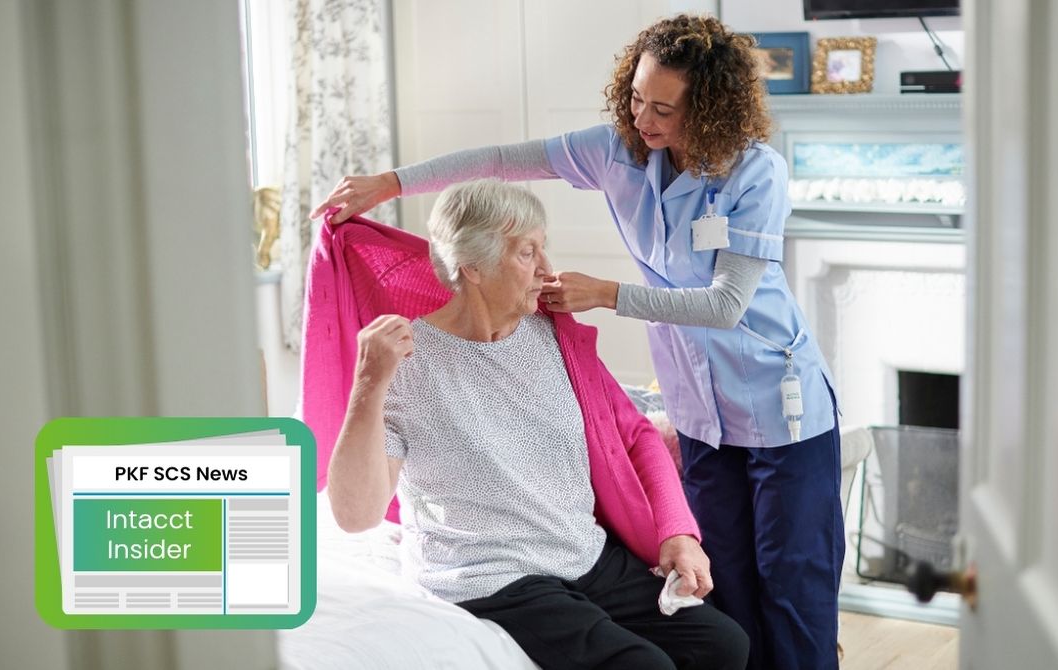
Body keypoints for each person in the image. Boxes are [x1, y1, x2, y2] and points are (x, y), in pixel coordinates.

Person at [313, 14, 843, 670]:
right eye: (636, 97)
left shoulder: (753, 174)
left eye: (664, 109)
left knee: (794, 591)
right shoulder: (618, 151)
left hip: (776, 399)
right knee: (730, 588)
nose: (643, 119)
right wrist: (391, 182)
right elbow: (506, 160)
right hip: (700, 409)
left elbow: (727, 305)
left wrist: (606, 293)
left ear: (706, 112)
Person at [326, 179, 749, 670]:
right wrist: (368, 383)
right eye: (528, 252)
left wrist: (679, 534)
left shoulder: (554, 334)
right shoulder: (407, 363)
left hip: (580, 552)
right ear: (473, 266)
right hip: (490, 572)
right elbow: (355, 515)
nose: (547, 268)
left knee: (722, 644)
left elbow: (635, 436)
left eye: (542, 248)